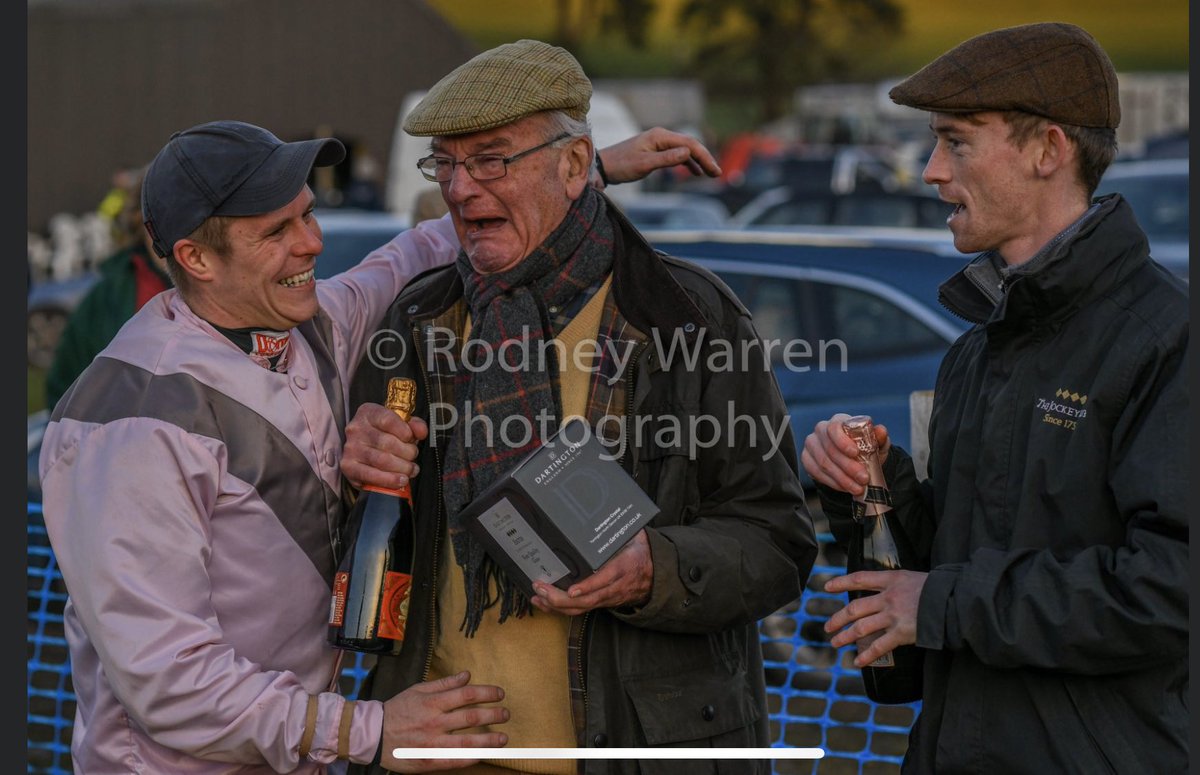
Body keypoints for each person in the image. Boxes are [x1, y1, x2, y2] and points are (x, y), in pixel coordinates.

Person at [38, 115, 725, 774]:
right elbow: (170, 681)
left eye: (308, 214)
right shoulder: (129, 422)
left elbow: (416, 251)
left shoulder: (309, 324)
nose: (309, 243)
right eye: (276, 231)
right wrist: (371, 730)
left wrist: (581, 171)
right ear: (194, 257)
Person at [342, 39, 818, 775]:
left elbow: (778, 542)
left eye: (493, 159)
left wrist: (652, 568)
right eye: (447, 163)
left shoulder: (686, 318)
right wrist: (356, 478)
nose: (463, 190)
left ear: (574, 164)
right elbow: (364, 546)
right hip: (439, 759)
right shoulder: (417, 321)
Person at [800, 22, 1188, 774]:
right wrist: (877, 488)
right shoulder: (977, 350)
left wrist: (939, 604)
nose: (930, 172)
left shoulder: (1166, 340)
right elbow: (946, 575)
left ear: (1049, 149)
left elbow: (1170, 590)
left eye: (957, 142)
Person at [44, 168, 174, 410]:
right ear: (139, 220)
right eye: (160, 217)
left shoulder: (237, 290)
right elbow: (64, 390)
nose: (174, 231)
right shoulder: (105, 297)